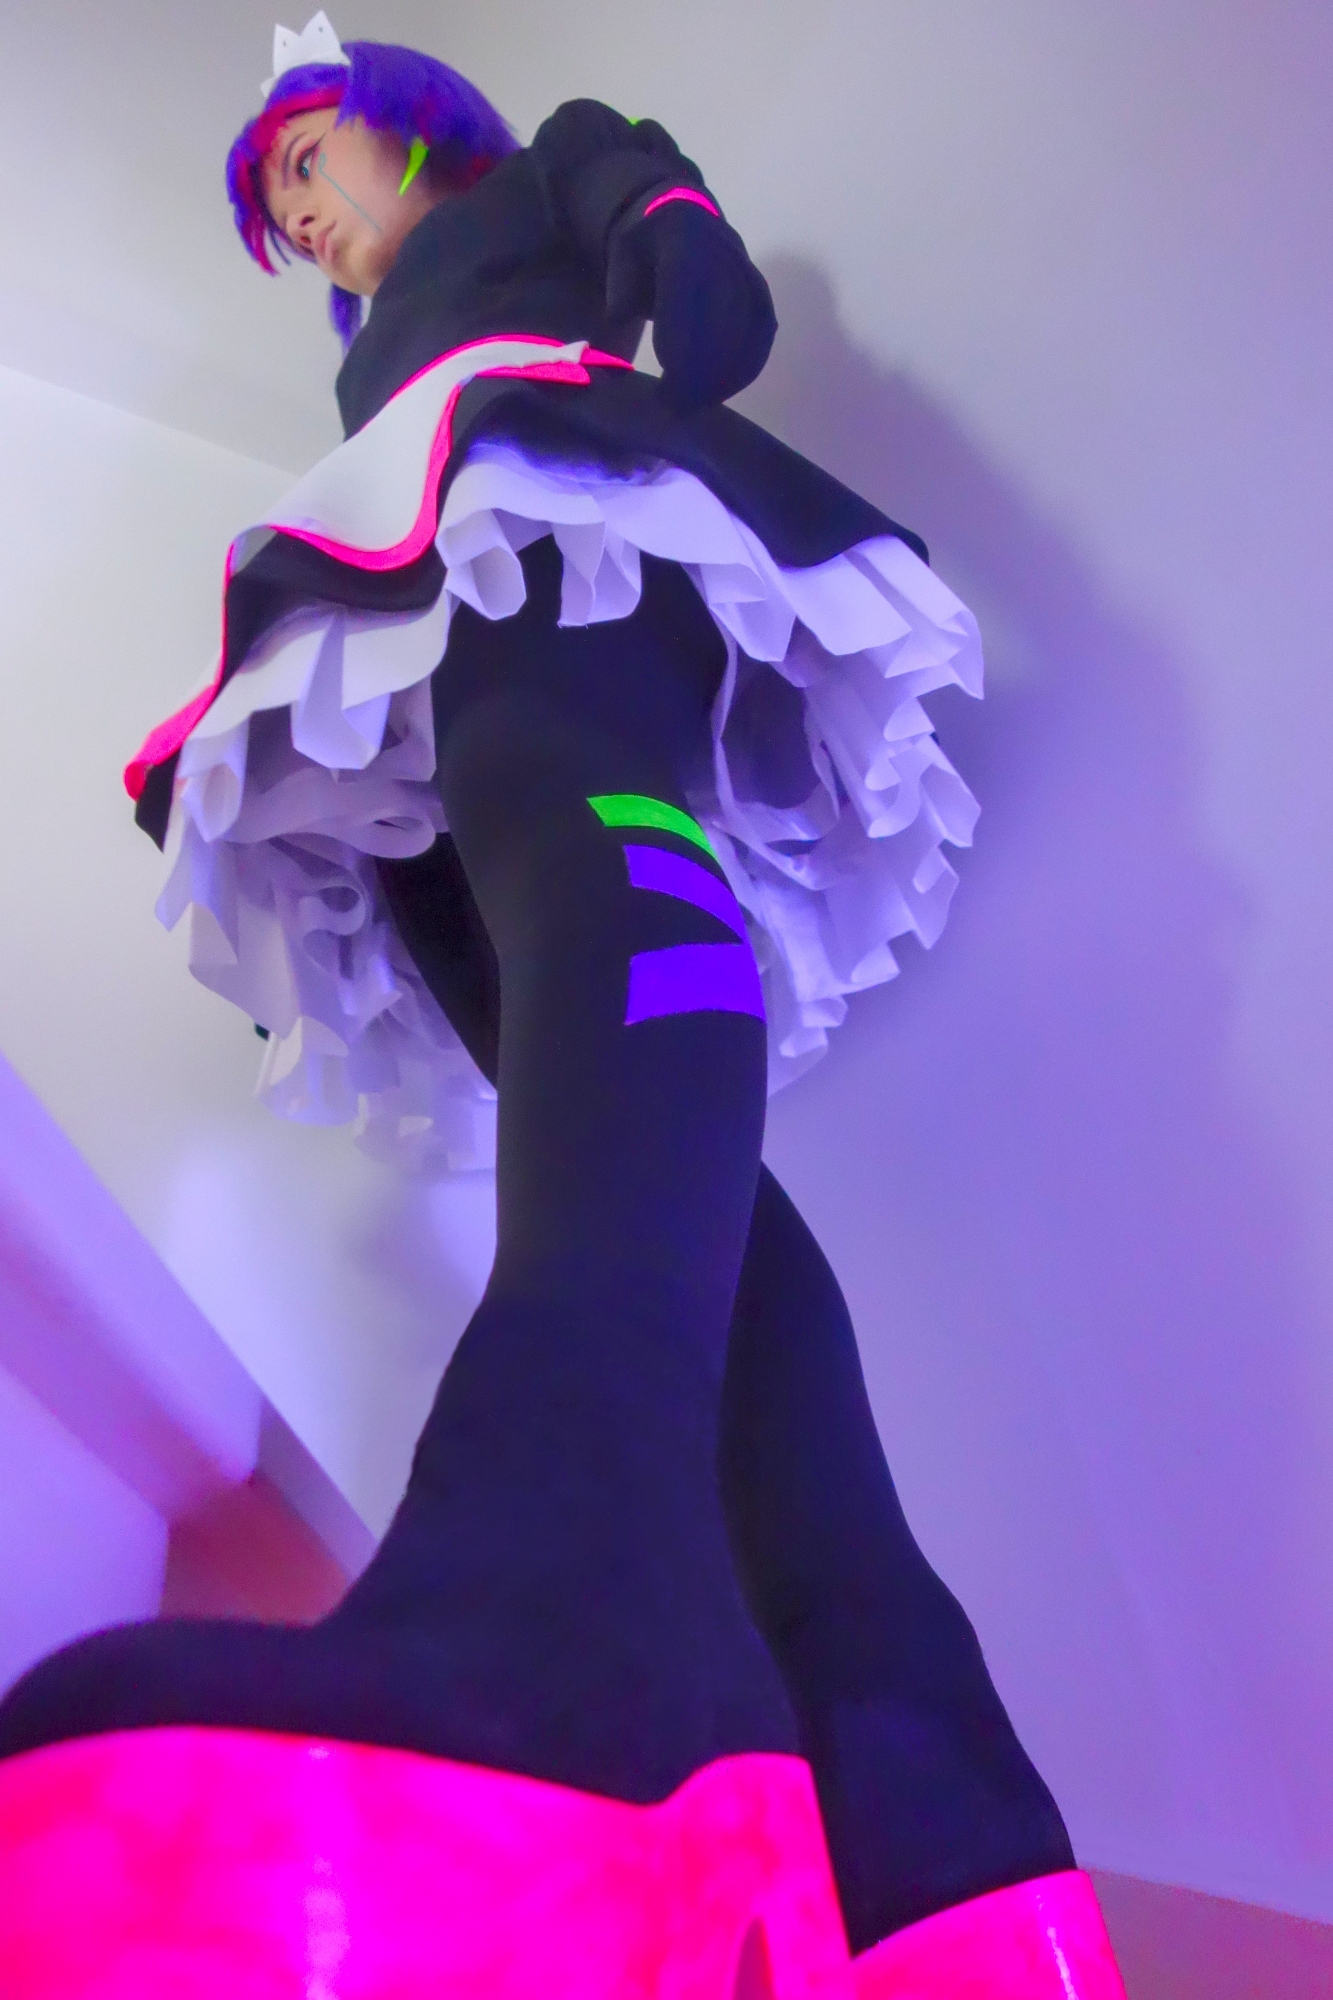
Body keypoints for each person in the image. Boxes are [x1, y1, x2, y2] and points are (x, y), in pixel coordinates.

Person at [0, 16, 1127, 1995]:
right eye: (278, 210)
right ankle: (927, 1804)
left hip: (569, 525)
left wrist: (665, 248)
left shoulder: (542, 168)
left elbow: (697, 287)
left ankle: (578, 1571)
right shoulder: (366, 358)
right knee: (602, 1120)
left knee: (569, 830)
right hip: (418, 659)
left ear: (402, 119)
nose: (302, 217)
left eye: (307, 165)